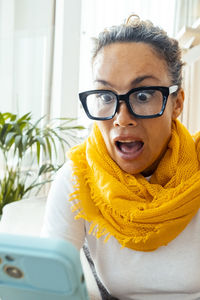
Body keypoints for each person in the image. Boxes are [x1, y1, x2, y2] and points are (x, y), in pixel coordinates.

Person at [41, 15, 200, 300]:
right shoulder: (78, 178)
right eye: (105, 96)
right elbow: (47, 283)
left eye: (142, 96)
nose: (121, 118)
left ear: (176, 104)